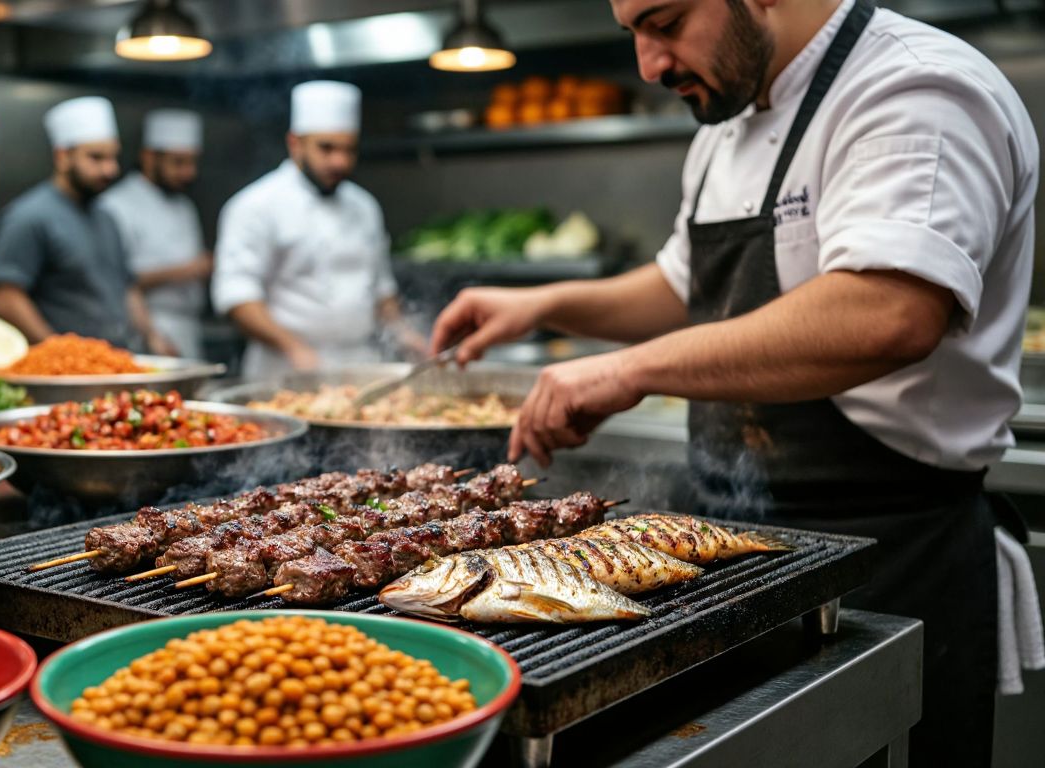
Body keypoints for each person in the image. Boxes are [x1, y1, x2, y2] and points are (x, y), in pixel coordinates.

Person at [430, 0, 1037, 763]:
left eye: (667, 21)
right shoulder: (726, 122)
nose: (649, 66)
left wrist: (630, 369)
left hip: (890, 553)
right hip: (721, 552)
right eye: (633, 34)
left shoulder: (914, 87)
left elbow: (886, 312)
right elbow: (685, 287)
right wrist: (541, 305)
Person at [212, 80, 425, 378]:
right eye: (326, 148)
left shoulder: (364, 206)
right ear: (295, 143)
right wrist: (293, 348)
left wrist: (405, 334)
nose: (340, 161)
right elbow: (237, 297)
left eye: (349, 149)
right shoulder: (255, 205)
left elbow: (381, 289)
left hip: (360, 364)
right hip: (283, 368)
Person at [0, 96, 174, 354]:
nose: (110, 169)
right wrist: (59, 351)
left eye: (113, 157)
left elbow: (127, 289)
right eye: (96, 158)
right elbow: (6, 298)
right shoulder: (29, 216)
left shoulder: (106, 216)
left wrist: (153, 337)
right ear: (63, 156)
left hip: (116, 360)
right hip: (66, 373)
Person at [101, 109, 212, 359]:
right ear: (149, 158)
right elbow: (118, 281)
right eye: (178, 163)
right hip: (142, 328)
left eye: (192, 162)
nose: (189, 173)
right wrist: (189, 270)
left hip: (188, 327)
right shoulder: (116, 205)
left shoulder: (184, 205)